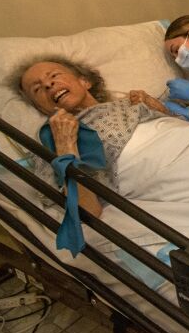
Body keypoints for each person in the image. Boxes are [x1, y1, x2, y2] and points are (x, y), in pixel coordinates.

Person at [14, 56, 172, 221]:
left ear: (84, 82)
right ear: (42, 108)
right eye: (37, 89)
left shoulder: (130, 104)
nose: (47, 84)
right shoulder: (51, 140)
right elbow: (86, 212)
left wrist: (162, 110)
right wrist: (66, 148)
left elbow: (183, 129)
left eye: (54, 75)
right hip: (160, 175)